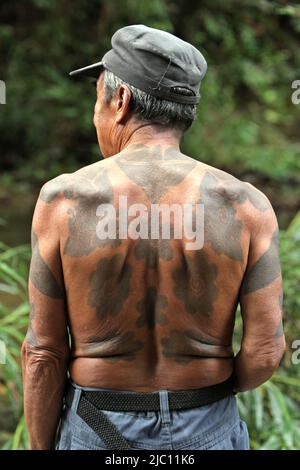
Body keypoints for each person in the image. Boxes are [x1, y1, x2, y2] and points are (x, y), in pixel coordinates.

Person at [21, 24, 285, 451]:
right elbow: (267, 350)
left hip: (98, 423)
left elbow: (42, 353)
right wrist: (200, 397)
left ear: (120, 101)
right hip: (207, 420)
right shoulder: (247, 206)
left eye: (98, 100)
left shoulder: (63, 201)